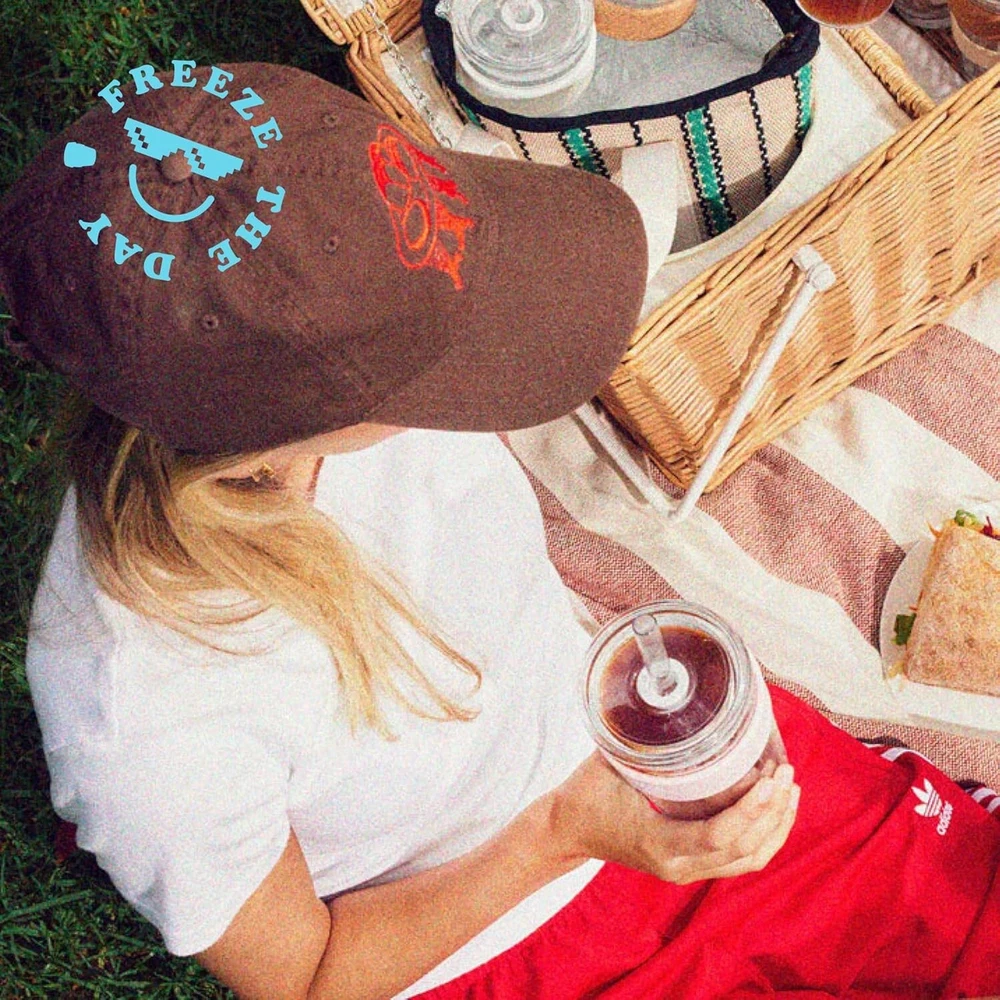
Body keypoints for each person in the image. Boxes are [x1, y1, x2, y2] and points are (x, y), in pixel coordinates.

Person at [2, 63, 997, 1000]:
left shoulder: (325, 344)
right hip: (497, 937)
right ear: (291, 429)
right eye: (451, 352)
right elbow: (306, 976)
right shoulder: (146, 717)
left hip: (632, 750)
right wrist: (562, 831)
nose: (489, 346)